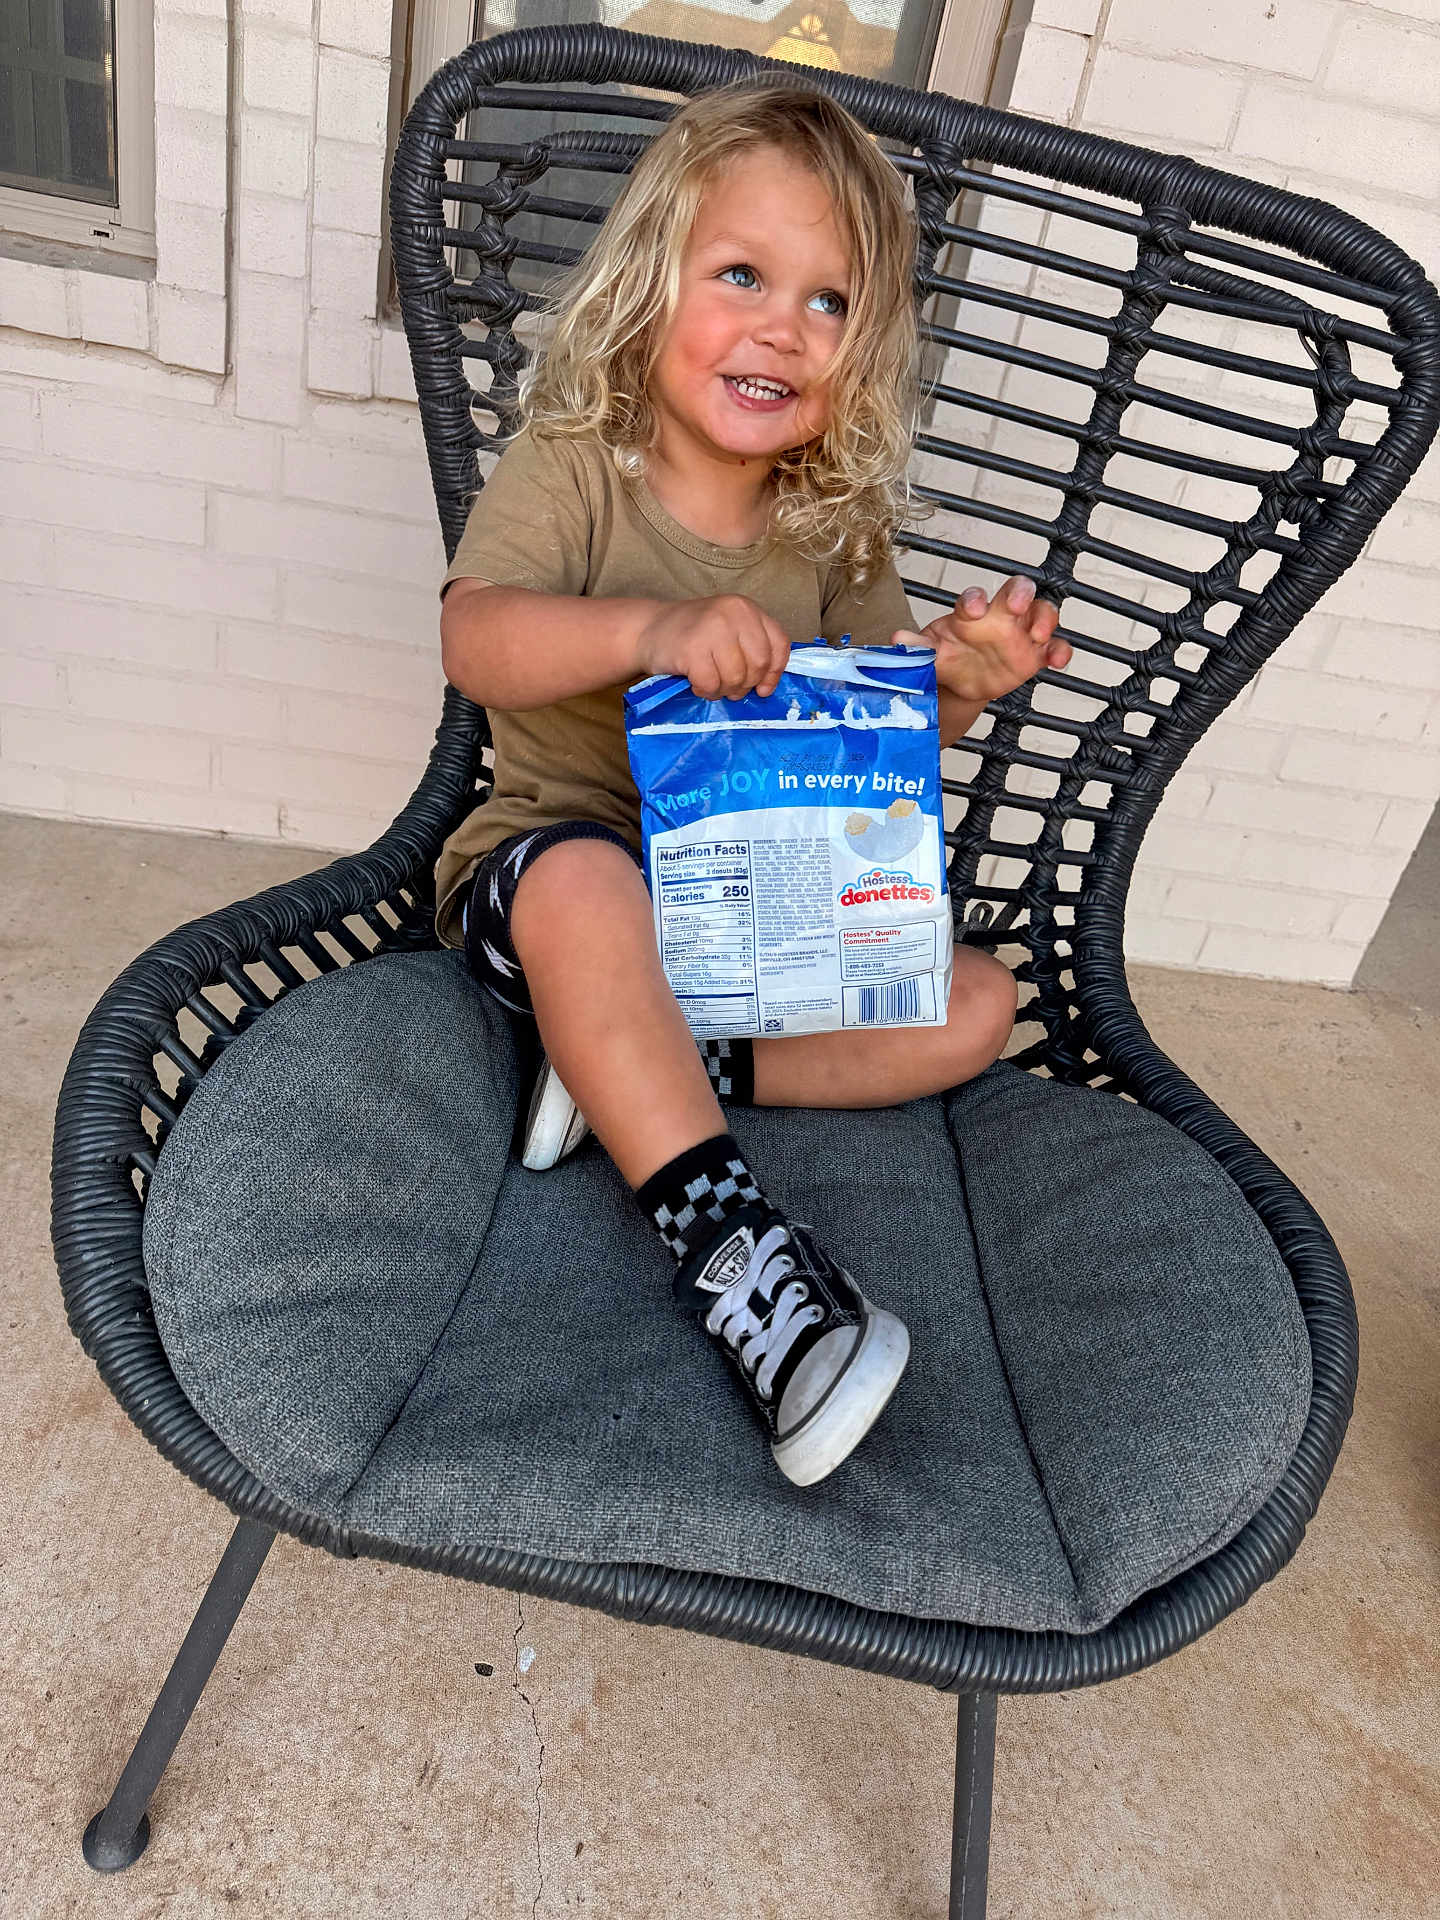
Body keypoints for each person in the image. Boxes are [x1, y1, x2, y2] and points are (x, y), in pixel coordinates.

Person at [434, 78, 1070, 1487]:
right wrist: (647, 632)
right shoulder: (576, 470)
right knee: (590, 877)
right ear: (653, 287)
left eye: (831, 303)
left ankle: (623, 1072)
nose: (783, 325)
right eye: (741, 274)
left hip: (737, 918)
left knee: (976, 1002)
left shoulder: (835, 533)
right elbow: (475, 638)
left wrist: (954, 683)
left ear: (866, 351)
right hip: (549, 888)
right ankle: (744, 1265)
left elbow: (873, 751)